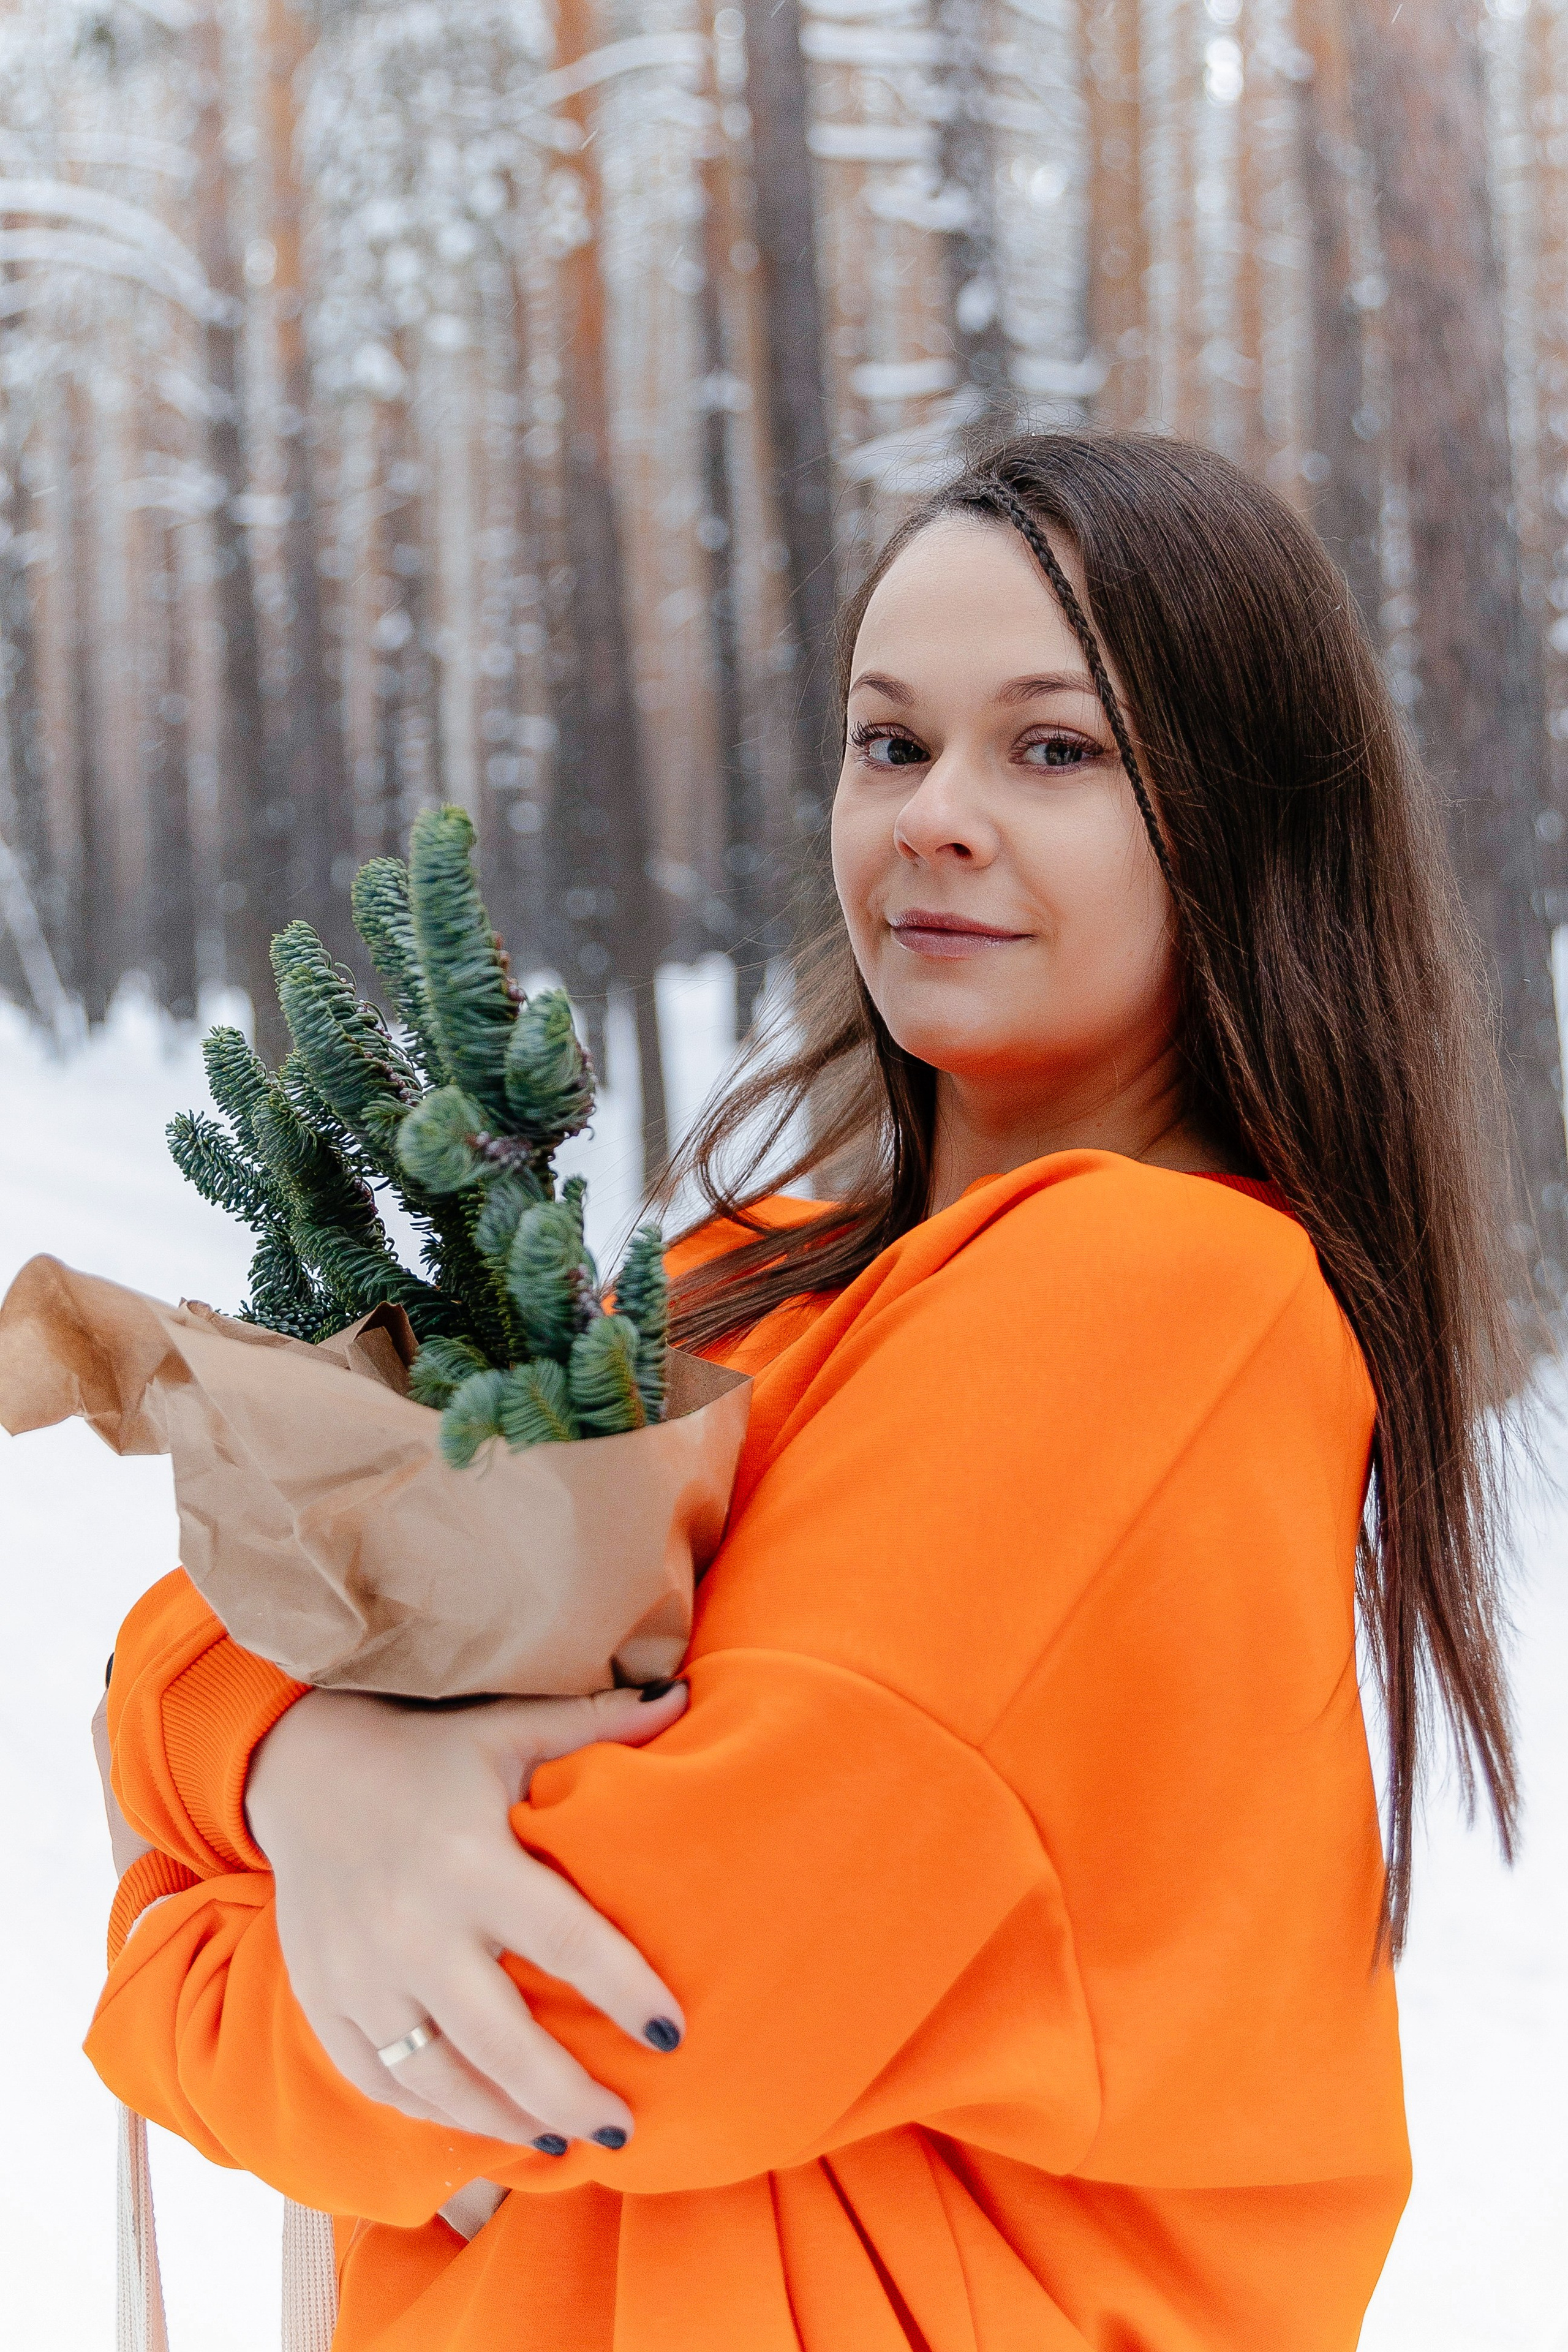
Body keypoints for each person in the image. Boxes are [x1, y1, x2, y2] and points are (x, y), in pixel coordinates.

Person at [89, 433, 1523, 2350]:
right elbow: (199, 1631)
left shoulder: (1161, 1294)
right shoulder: (752, 1276)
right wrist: (331, 1774)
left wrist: (165, 1960)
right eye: (888, 740)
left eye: (1054, 749)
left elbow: (608, 2008)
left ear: (1245, 815)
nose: (933, 815)